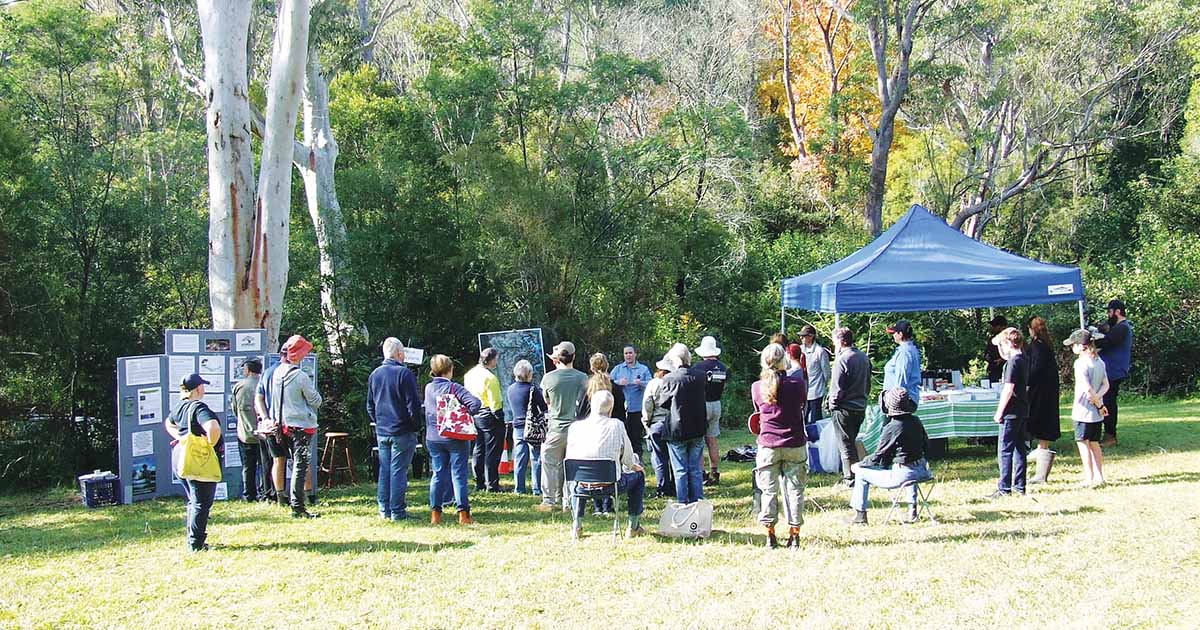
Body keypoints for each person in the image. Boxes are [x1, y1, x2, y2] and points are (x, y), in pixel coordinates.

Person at [565, 390, 647, 539]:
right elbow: (628, 458)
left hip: (581, 484)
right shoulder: (616, 425)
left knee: (576, 482)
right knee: (639, 477)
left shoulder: (575, 427)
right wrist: (635, 466)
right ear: (611, 408)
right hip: (610, 483)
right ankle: (633, 526)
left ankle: (577, 526)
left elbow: (570, 457)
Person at [750, 344, 808, 548]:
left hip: (768, 444)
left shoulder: (757, 387)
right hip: (794, 442)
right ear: (784, 360)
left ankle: (770, 534)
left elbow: (758, 412)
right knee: (795, 490)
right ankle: (794, 534)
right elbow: (802, 405)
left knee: (768, 491)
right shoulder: (797, 383)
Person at [847, 388, 930, 525]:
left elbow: (877, 457)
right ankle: (912, 511)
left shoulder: (892, 427)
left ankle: (860, 516)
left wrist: (859, 464)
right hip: (923, 470)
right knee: (910, 465)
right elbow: (927, 446)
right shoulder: (916, 420)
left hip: (904, 475)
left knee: (861, 473)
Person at [265, 335, 323, 518]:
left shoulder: (276, 373)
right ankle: (298, 506)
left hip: (281, 425)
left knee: (282, 462)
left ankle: (285, 498)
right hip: (301, 426)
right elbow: (316, 400)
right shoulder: (300, 376)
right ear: (297, 356)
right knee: (300, 465)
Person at [164, 373, 223, 551]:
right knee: (201, 502)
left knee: (193, 499)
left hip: (179, 456)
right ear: (198, 388)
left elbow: (168, 423)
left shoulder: (179, 406)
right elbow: (213, 427)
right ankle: (195, 544)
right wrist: (208, 445)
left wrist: (182, 438)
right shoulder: (198, 407)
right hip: (196, 458)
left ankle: (193, 538)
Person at [367, 337, 423, 521]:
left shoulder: (375, 374)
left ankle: (384, 509)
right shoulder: (404, 374)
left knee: (385, 470)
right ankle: (397, 511)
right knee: (398, 470)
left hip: (383, 430)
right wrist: (416, 426)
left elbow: (370, 405)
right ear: (399, 354)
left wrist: (378, 421)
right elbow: (413, 405)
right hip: (402, 430)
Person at [424, 354, 484, 524]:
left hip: (434, 437)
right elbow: (475, 403)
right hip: (455, 437)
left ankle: (435, 514)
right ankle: (463, 514)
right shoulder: (454, 388)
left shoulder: (428, 388)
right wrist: (461, 416)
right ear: (450, 370)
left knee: (438, 473)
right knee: (459, 474)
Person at [535, 341, 589, 512]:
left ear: (558, 358)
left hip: (556, 428)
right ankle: (570, 501)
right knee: (572, 465)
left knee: (549, 461)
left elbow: (547, 401)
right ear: (573, 356)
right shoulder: (582, 378)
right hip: (578, 429)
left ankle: (550, 501)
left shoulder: (548, 378)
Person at [655, 343, 707, 505]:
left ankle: (683, 501)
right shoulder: (701, 375)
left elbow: (663, 403)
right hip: (698, 427)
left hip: (677, 429)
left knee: (680, 469)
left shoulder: (669, 379)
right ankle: (697, 500)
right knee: (695, 468)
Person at [827, 327, 871, 487]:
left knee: (845, 446)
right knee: (851, 443)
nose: (833, 345)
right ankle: (857, 475)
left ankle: (850, 479)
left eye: (834, 341)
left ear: (841, 341)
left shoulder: (842, 359)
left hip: (844, 408)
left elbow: (837, 389)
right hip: (860, 407)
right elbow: (868, 384)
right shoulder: (864, 357)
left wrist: (831, 405)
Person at [989, 327, 1030, 498]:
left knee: (1004, 449)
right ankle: (1019, 486)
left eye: (1001, 346)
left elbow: (1008, 388)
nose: (1000, 350)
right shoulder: (1024, 358)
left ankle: (1004, 487)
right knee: (1020, 448)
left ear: (1007, 343)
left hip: (1011, 411)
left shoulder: (1012, 362)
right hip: (1022, 408)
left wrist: (999, 412)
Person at [1066, 329, 1110, 486]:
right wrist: (1100, 404)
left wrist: (1097, 402)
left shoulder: (1080, 363)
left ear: (1080, 346)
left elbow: (1088, 390)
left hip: (1082, 411)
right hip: (1096, 412)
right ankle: (1100, 477)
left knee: (1083, 444)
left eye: (1073, 345)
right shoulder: (1100, 362)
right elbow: (1106, 385)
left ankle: (1089, 478)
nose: (1072, 348)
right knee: (1094, 443)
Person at [584, 353, 625, 514]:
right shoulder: (616, 388)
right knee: (611, 462)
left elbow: (581, 412)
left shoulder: (587, 388)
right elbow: (622, 412)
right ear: (607, 366)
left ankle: (597, 505)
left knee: (595, 462)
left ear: (591, 367)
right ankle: (608, 503)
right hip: (612, 430)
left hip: (592, 429)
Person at [1026, 317, 1061, 484]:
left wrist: (1026, 381)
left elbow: (1036, 368)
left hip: (1041, 391)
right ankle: (1038, 460)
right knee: (1042, 429)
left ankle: (1040, 472)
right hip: (1048, 390)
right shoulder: (1046, 343)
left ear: (1031, 329)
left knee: (1041, 427)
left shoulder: (1038, 345)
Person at [465, 348, 505, 492]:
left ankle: (479, 481)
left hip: (475, 413)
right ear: (491, 359)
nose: (497, 362)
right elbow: (495, 401)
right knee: (493, 450)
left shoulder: (469, 374)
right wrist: (500, 417)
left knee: (479, 448)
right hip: (489, 413)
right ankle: (492, 483)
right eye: (496, 359)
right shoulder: (490, 378)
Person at [691, 336, 728, 487]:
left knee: (699, 440)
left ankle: (702, 472)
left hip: (702, 404)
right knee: (712, 439)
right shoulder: (723, 367)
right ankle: (715, 471)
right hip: (716, 403)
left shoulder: (699, 367)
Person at [1096, 299, 1133, 447]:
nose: (1108, 314)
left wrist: (1089, 341)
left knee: (1109, 403)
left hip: (1113, 371)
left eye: (1110, 312)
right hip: (1111, 371)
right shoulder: (1118, 327)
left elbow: (1106, 342)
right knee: (1107, 402)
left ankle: (1110, 436)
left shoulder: (1122, 328)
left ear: (1117, 312)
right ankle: (1107, 434)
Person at [508, 360, 546, 496]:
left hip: (517, 427)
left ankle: (519, 488)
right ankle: (537, 488)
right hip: (532, 427)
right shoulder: (532, 389)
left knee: (519, 458)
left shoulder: (510, 389)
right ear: (529, 374)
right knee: (536, 457)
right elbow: (543, 407)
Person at [641, 356, 675, 498]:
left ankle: (662, 488)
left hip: (657, 423)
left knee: (659, 458)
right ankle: (675, 486)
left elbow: (648, 403)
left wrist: (646, 420)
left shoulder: (654, 384)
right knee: (674, 457)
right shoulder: (675, 382)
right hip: (673, 423)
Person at [610, 345, 652, 458]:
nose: (628, 355)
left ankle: (638, 461)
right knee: (622, 437)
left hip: (637, 409)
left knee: (636, 437)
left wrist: (641, 383)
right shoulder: (618, 369)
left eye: (630, 353)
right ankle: (623, 461)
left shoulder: (643, 369)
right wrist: (619, 382)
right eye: (626, 353)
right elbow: (608, 382)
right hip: (620, 410)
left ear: (635, 354)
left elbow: (652, 384)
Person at [231, 359, 262, 502]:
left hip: (245, 433)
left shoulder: (240, 386)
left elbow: (235, 409)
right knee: (265, 465)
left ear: (247, 370)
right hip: (264, 433)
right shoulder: (264, 384)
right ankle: (265, 491)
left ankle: (249, 494)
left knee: (248, 466)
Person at [797, 325, 831, 424]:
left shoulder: (820, 352)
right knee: (801, 420)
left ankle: (818, 439)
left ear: (811, 336)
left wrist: (823, 386)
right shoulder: (800, 350)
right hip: (803, 391)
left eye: (804, 336)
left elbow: (826, 372)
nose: (801, 338)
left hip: (816, 391)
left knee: (815, 420)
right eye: (801, 336)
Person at [883, 320, 922, 405]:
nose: (893, 335)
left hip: (901, 400)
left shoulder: (904, 352)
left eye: (894, 333)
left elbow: (902, 377)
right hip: (908, 398)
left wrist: (895, 399)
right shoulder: (912, 349)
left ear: (900, 334)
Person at [985, 315, 1008, 383]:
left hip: (1005, 371)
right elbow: (986, 352)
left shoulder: (1009, 339)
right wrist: (987, 357)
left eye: (995, 326)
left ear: (1002, 327)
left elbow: (1015, 354)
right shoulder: (991, 339)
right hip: (993, 370)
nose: (992, 327)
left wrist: (1002, 360)